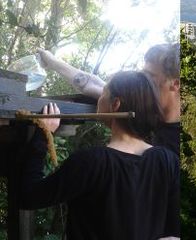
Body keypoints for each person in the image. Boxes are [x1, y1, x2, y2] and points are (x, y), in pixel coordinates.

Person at [20, 71, 180, 239]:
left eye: (104, 93)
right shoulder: (168, 161)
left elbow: (29, 196)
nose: (99, 99)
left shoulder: (91, 162)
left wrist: (42, 133)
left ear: (115, 104)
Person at [36, 43, 181, 155]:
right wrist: (52, 62)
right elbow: (94, 85)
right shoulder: (137, 105)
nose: (142, 81)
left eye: (150, 76)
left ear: (175, 84)